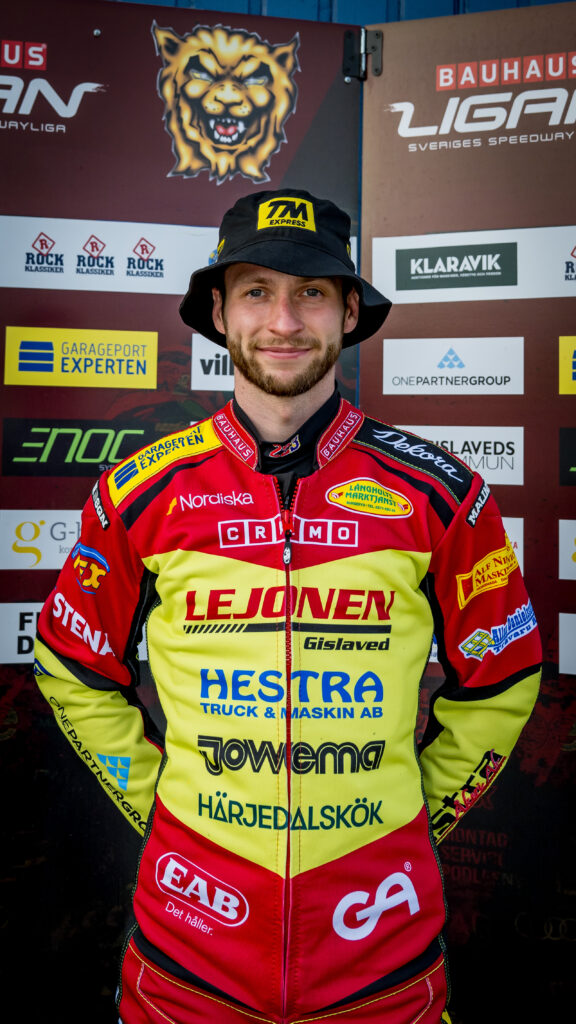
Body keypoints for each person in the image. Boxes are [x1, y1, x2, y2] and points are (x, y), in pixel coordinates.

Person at [35, 189, 542, 1024]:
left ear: (349, 312)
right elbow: (69, 666)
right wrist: (161, 805)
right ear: (219, 313)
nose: (283, 320)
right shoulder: (141, 491)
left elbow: (504, 678)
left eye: (310, 292)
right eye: (256, 291)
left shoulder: (442, 492)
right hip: (187, 954)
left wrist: (412, 817)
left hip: (381, 958)